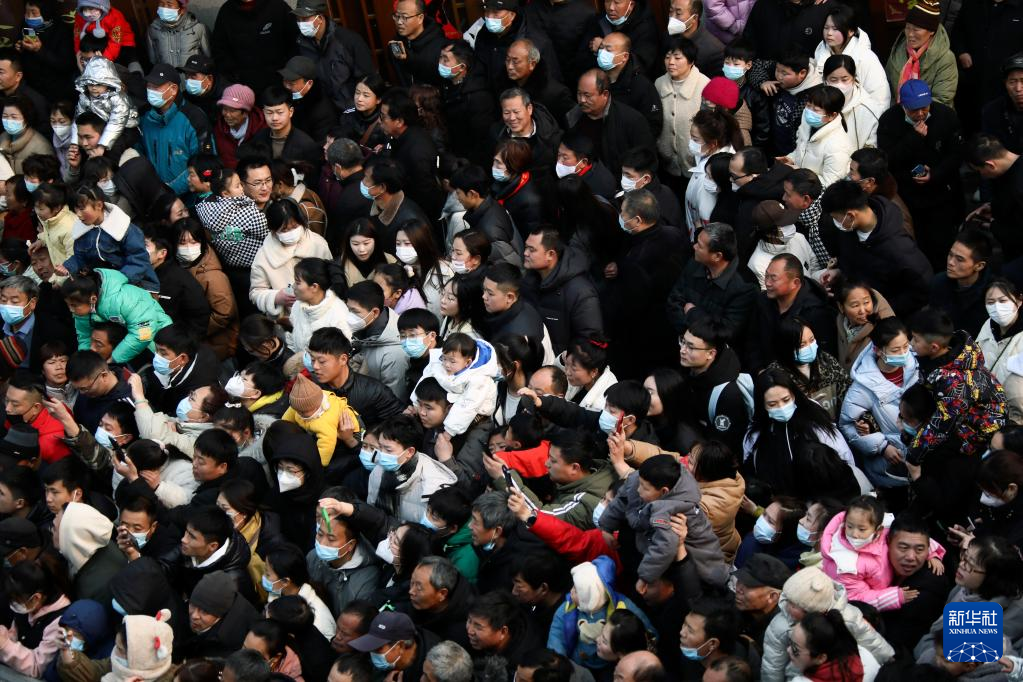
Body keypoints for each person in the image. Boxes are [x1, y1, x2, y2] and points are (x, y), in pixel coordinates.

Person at [876, 79, 964, 269]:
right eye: (914, 110)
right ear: (903, 106)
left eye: (924, 108)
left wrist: (936, 174)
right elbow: (888, 160)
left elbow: (956, 154)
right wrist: (913, 139)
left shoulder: (945, 116)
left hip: (942, 192)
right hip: (908, 195)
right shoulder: (889, 121)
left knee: (942, 243)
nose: (920, 114)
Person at [605, 189, 689, 377]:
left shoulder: (637, 261)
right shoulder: (674, 234)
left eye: (623, 213)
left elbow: (631, 306)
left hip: (647, 332)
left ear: (637, 220)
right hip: (673, 320)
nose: (620, 217)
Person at [820, 180, 933, 319]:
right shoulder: (849, 230)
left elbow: (921, 289)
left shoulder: (898, 249)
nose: (835, 223)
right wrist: (839, 271)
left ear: (851, 216)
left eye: (835, 218)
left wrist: (882, 310)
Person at [906, 307, 1006, 464]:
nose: (911, 344)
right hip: (956, 413)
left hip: (978, 433)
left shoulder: (954, 383)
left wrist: (913, 456)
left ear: (934, 347)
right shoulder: (941, 356)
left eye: (916, 340)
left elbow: (941, 426)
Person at [743, 369, 857, 497]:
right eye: (772, 404)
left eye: (786, 400)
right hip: (780, 501)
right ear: (762, 405)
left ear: (794, 395)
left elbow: (842, 455)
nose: (781, 407)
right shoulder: (757, 432)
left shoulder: (813, 417)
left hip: (820, 498)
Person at [819, 496, 943, 613]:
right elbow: (857, 598)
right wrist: (892, 597)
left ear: (878, 530)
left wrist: (932, 553)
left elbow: (913, 538)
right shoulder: (844, 565)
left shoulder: (886, 528)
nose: (854, 534)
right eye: (850, 526)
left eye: (862, 529)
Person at [913, 535, 1023, 662]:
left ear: (993, 578)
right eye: (964, 557)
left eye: (970, 565)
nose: (961, 565)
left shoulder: (1011, 614)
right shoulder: (967, 587)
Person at [63, 184, 159, 293]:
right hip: (106, 286)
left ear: (99, 205)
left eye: (82, 208)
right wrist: (67, 267)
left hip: (135, 284)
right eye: (75, 210)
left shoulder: (124, 228)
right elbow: (81, 259)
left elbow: (138, 259)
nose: (78, 214)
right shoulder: (82, 232)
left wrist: (118, 280)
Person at [748, 254, 836, 371]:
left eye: (773, 278)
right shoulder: (763, 301)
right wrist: (759, 371)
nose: (767, 283)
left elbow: (824, 356)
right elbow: (752, 341)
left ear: (795, 283)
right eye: (766, 276)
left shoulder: (816, 312)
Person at [249, 198, 332, 320]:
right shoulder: (264, 256)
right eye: (284, 230)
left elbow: (333, 279)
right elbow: (255, 292)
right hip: (287, 321)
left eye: (295, 227)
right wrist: (276, 297)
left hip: (321, 316)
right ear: (273, 230)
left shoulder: (318, 244)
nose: (290, 232)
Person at [878, 514, 950, 651]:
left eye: (919, 549)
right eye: (903, 548)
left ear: (929, 549)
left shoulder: (928, 589)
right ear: (888, 543)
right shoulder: (871, 566)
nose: (911, 557)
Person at [567, 69, 656, 178]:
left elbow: (647, 161)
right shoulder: (573, 118)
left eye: (587, 95)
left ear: (605, 94)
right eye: (579, 94)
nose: (582, 100)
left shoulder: (632, 120)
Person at [172, 218, 239, 361]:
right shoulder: (181, 266)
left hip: (216, 345)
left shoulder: (212, 277)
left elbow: (224, 314)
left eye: (194, 242)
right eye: (182, 243)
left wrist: (192, 332)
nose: (188, 247)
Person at [766, 317, 849, 420]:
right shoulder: (776, 375)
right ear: (786, 347)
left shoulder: (826, 360)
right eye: (802, 345)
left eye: (812, 340)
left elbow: (847, 389)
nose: (809, 347)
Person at [812, 4, 890, 112]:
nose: (829, 33)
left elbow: (880, 97)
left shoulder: (865, 57)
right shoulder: (820, 51)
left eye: (835, 29)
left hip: (861, 115)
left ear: (851, 31)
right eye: (826, 28)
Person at [884, 0, 957, 106]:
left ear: (931, 31)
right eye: (907, 28)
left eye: (916, 30)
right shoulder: (898, 49)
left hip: (930, 114)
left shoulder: (946, 59)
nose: (910, 34)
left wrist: (911, 111)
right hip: (899, 111)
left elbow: (942, 100)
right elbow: (886, 86)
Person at [346, 280, 409, 400]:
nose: (349, 316)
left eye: (355, 311)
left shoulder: (393, 355)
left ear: (375, 312)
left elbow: (392, 401)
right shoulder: (363, 331)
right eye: (348, 309)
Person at [0, 274, 75, 372]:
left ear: (32, 303)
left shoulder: (54, 331)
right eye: (3, 300)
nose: (7, 306)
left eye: (14, 301)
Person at [451, 168, 523, 267]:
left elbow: (508, 265)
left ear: (472, 194)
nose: (457, 197)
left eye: (458, 193)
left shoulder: (489, 232)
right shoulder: (492, 204)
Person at [785, 85, 853, 188]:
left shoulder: (838, 146)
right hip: (799, 185)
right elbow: (802, 150)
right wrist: (790, 159)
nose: (809, 111)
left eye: (816, 110)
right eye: (808, 106)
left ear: (832, 115)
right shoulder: (807, 124)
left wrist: (800, 173)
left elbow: (831, 184)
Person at [348, 610, 438, 682]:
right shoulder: (373, 662)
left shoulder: (432, 672)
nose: (372, 653)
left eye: (378, 649)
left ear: (400, 646)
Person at [747, 201, 813, 291]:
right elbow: (772, 295)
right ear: (769, 233)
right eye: (784, 225)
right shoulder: (758, 265)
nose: (791, 225)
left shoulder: (798, 238)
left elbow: (814, 266)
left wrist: (821, 280)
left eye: (790, 220)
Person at [821, 56, 881, 150]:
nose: (839, 84)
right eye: (833, 80)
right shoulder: (815, 103)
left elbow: (871, 149)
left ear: (854, 79)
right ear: (825, 80)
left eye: (844, 79)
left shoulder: (870, 110)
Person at [213, 85, 266, 169]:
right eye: (225, 109)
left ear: (245, 113)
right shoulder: (218, 130)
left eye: (232, 111)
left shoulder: (262, 130)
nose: (227, 115)